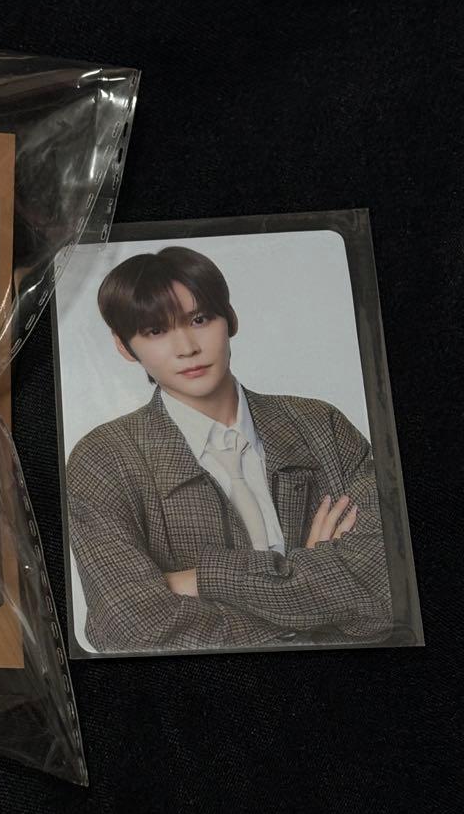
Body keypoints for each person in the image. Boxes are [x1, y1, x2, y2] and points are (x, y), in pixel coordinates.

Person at [66, 246, 393, 652]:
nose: (187, 347)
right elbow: (126, 627)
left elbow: (389, 585)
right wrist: (313, 599)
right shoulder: (103, 459)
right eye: (156, 331)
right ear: (123, 346)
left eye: (199, 320)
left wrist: (201, 579)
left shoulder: (320, 425)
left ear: (230, 318)